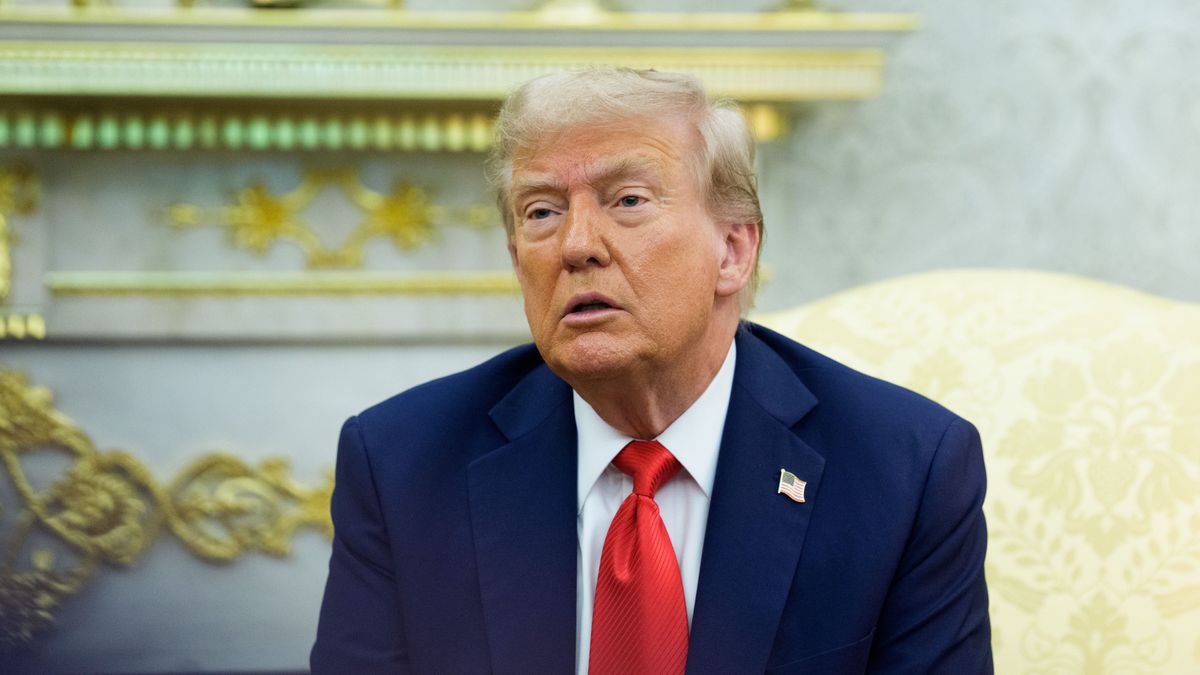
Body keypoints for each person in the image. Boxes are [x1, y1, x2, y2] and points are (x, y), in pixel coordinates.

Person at [311, 68, 992, 674]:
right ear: (520, 263)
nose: (576, 245)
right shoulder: (402, 462)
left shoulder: (905, 470)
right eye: (542, 212)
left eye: (628, 200)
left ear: (732, 249)